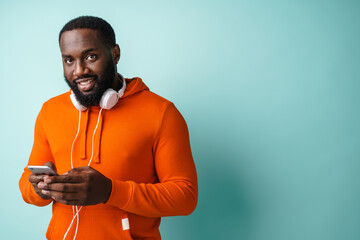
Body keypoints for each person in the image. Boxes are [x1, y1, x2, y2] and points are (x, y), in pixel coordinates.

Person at [19, 16, 198, 240]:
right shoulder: (50, 110)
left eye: (90, 56)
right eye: (69, 60)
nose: (79, 71)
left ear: (115, 53)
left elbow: (185, 197)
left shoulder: (162, 112)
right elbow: (26, 184)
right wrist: (39, 189)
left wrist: (110, 191)